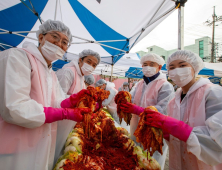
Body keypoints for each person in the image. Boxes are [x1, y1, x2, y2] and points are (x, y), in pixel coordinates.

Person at [0, 20, 91, 170]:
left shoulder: (50, 72)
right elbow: (14, 107)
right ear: (41, 37)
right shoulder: (17, 57)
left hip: (39, 144)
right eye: (55, 37)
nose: (59, 44)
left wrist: (70, 102)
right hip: (13, 146)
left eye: (64, 42)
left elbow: (53, 102)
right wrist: (64, 113)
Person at [145, 50, 222, 170]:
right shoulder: (173, 101)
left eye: (182, 65)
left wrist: (178, 128)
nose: (177, 70)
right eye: (172, 67)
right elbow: (176, 139)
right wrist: (166, 132)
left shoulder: (212, 93)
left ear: (194, 68)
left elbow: (218, 139)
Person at [120, 53, 175, 170]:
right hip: (136, 127)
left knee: (152, 162)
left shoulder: (165, 86)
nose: (147, 67)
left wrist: (137, 110)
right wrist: (125, 100)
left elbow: (163, 110)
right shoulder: (140, 84)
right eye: (145, 64)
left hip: (154, 131)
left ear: (159, 67)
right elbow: (133, 99)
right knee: (136, 158)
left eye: (151, 64)